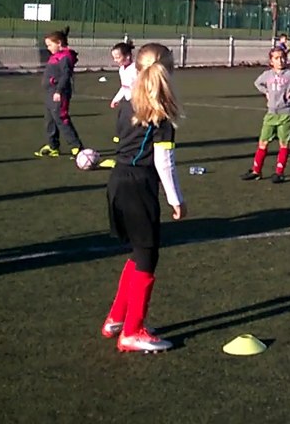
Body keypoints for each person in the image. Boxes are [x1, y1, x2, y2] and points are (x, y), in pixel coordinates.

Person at [100, 42, 184, 353]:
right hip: (140, 184)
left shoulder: (125, 104)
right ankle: (132, 331)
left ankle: (116, 319)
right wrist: (177, 200)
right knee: (148, 256)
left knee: (137, 252)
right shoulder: (160, 114)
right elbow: (164, 163)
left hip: (118, 180)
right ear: (169, 72)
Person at [243, 47, 290, 183]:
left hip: (285, 114)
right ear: (271, 61)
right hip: (271, 114)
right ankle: (256, 170)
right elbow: (257, 83)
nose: (280, 61)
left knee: (283, 143)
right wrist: (266, 93)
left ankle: (279, 172)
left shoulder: (289, 75)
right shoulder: (267, 75)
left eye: (282, 58)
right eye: (276, 58)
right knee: (263, 142)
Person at [36, 27, 85, 157]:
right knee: (50, 120)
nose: (48, 48)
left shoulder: (65, 57)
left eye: (50, 45)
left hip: (59, 93)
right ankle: (53, 146)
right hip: (49, 93)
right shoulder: (55, 56)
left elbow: (65, 75)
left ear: (59, 43)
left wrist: (58, 91)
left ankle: (76, 146)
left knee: (61, 118)